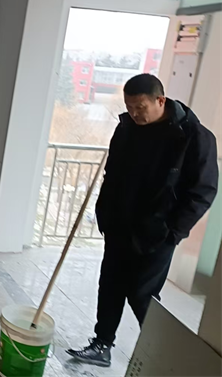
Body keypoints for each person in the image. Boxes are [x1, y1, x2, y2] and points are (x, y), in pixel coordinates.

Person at [67, 74, 218, 367]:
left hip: (158, 233)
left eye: (140, 107)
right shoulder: (126, 128)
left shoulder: (194, 136)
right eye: (129, 107)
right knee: (110, 285)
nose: (135, 113)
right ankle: (101, 344)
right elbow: (113, 173)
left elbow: (203, 191)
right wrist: (105, 211)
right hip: (119, 224)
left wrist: (174, 231)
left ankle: (162, 355)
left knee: (141, 293)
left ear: (160, 100)